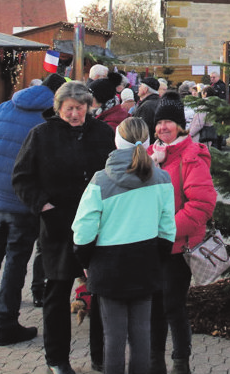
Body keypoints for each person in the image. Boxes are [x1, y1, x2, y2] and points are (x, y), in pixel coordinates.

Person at [13, 81, 117, 374]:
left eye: (80, 108)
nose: (75, 114)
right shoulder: (41, 135)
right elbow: (22, 178)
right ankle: (57, 359)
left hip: (97, 226)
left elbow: (115, 172)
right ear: (58, 109)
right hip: (58, 226)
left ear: (89, 107)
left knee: (99, 292)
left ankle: (101, 355)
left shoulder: (102, 133)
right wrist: (44, 206)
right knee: (56, 293)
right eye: (69, 109)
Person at [73, 118, 176, 374]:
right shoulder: (161, 178)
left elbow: (83, 230)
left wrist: (85, 261)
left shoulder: (100, 181)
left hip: (108, 265)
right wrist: (158, 259)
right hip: (146, 260)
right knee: (142, 334)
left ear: (117, 141)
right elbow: (167, 228)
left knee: (113, 337)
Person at [0, 82, 55, 345]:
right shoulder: (48, 117)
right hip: (23, 201)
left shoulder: (4, 107)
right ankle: (6, 323)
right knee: (16, 261)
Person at [147, 94, 217, 374]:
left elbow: (202, 205)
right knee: (152, 306)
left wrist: (166, 231)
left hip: (176, 247)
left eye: (170, 122)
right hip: (149, 246)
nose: (164, 127)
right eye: (160, 122)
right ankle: (154, 360)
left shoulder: (191, 157)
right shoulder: (151, 156)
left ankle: (180, 360)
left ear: (180, 125)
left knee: (172, 305)